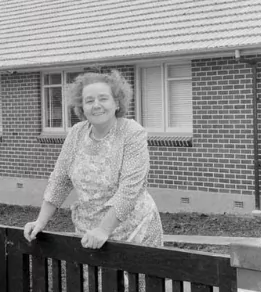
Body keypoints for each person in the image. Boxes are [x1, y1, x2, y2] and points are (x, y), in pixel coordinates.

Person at [24, 70, 164, 250]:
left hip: (134, 232)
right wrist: (40, 222)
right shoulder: (76, 133)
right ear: (81, 107)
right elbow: (60, 180)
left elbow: (130, 190)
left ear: (117, 103)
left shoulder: (132, 133)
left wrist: (103, 230)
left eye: (103, 98)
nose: (96, 105)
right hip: (88, 234)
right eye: (89, 101)